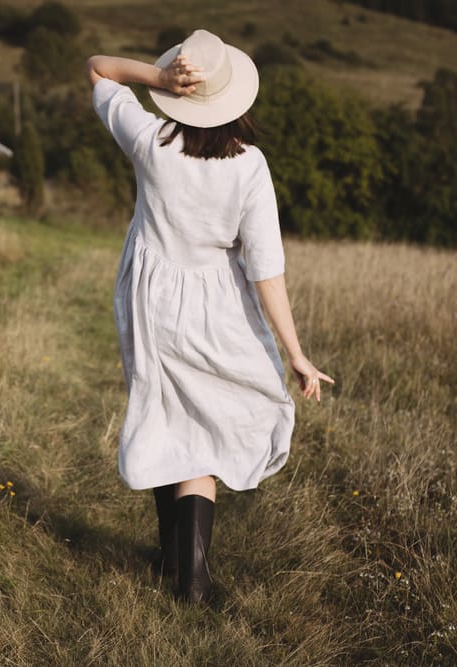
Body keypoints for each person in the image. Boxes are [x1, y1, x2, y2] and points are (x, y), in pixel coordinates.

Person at [87, 29, 334, 604]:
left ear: (179, 90)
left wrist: (154, 78)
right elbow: (265, 268)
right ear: (234, 98)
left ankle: (175, 560)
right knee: (201, 428)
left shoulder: (148, 139)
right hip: (218, 303)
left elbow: (99, 69)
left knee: (163, 412)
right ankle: (191, 578)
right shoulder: (250, 166)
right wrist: (294, 353)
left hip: (150, 298)